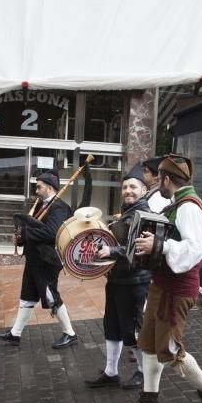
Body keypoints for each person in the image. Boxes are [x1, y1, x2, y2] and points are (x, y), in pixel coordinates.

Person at [117, 154, 202, 403]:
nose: (157, 185)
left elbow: (193, 251)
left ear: (167, 179)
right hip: (163, 284)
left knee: (168, 349)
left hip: (177, 289)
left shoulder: (189, 207)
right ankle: (150, 401)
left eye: (159, 180)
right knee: (149, 345)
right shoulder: (178, 204)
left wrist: (159, 246)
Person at [0, 169, 79, 349]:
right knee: (27, 297)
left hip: (47, 262)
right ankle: (15, 334)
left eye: (39, 187)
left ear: (49, 187)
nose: (36, 191)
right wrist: (21, 238)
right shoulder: (42, 205)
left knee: (50, 296)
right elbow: (35, 231)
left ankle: (70, 334)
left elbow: (51, 233)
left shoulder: (59, 207)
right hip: (34, 259)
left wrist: (25, 232)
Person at [85, 162, 152, 390]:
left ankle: (144, 373)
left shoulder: (145, 214)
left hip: (134, 282)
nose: (127, 191)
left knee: (132, 329)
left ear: (143, 190)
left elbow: (139, 248)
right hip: (117, 279)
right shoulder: (127, 212)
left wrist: (111, 251)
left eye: (133, 187)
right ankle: (111, 372)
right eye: (124, 188)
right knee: (112, 325)